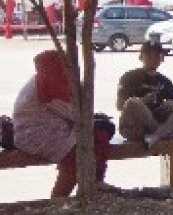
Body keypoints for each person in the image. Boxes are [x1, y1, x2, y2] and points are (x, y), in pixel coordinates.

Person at [11, 50, 109, 198]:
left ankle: (95, 186)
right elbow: (75, 114)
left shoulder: (49, 80)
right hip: (34, 134)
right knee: (76, 157)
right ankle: (59, 200)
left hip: (53, 129)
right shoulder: (48, 85)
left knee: (97, 135)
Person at [116, 42, 173, 147]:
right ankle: (161, 133)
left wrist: (171, 104)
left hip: (157, 119)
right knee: (133, 102)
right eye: (149, 55)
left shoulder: (165, 81)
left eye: (157, 55)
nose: (153, 58)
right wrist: (143, 101)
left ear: (162, 59)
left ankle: (156, 135)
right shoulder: (129, 77)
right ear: (141, 57)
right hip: (136, 126)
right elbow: (120, 106)